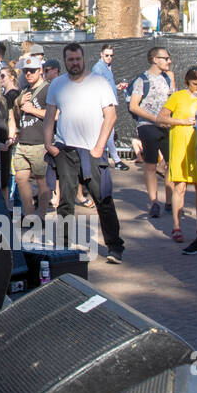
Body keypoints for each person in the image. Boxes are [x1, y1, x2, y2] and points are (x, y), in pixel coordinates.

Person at [42, 43, 126, 263]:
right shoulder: (57, 85)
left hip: (93, 151)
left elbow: (111, 116)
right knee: (65, 201)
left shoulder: (99, 83)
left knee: (103, 199)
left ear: (83, 59)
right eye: (70, 60)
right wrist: (48, 144)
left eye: (78, 59)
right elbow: (50, 116)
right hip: (65, 150)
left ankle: (115, 247)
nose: (75, 63)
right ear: (65, 61)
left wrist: (99, 147)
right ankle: (63, 247)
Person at [156, 66, 197, 249]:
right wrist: (182, 121)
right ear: (188, 82)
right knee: (180, 187)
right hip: (180, 145)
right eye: (195, 84)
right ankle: (176, 226)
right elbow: (161, 118)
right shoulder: (178, 96)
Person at [128, 46, 175, 218]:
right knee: (150, 165)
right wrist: (155, 119)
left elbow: (171, 100)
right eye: (166, 58)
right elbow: (134, 106)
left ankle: (170, 202)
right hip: (148, 126)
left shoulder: (168, 79)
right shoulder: (142, 80)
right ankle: (154, 202)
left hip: (166, 126)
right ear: (155, 59)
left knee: (171, 164)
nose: (169, 61)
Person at [9, 58, 51, 217]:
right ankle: (29, 215)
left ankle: (41, 215)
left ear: (40, 70)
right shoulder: (24, 90)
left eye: (32, 70)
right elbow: (18, 115)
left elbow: (56, 115)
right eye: (26, 70)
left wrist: (33, 110)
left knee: (41, 180)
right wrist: (18, 103)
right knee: (20, 178)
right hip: (23, 140)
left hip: (39, 142)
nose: (28, 73)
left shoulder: (48, 89)